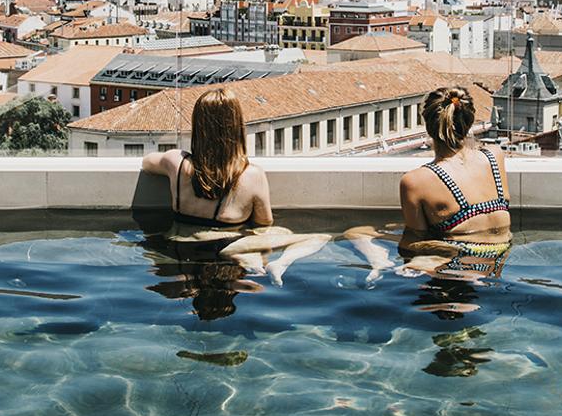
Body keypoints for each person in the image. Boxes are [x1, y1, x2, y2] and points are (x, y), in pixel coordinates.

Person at [140, 88, 326, 286]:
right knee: (317, 237)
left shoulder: (176, 163)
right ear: (237, 127)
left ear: (197, 126)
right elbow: (263, 225)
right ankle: (278, 264)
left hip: (177, 248)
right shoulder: (251, 175)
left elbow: (147, 163)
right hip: (225, 253)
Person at [347, 86, 512, 289]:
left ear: (427, 125)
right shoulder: (495, 156)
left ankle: (380, 263)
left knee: (356, 232)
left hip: (454, 261)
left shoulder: (417, 180)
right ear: (469, 121)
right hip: (498, 260)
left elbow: (413, 240)